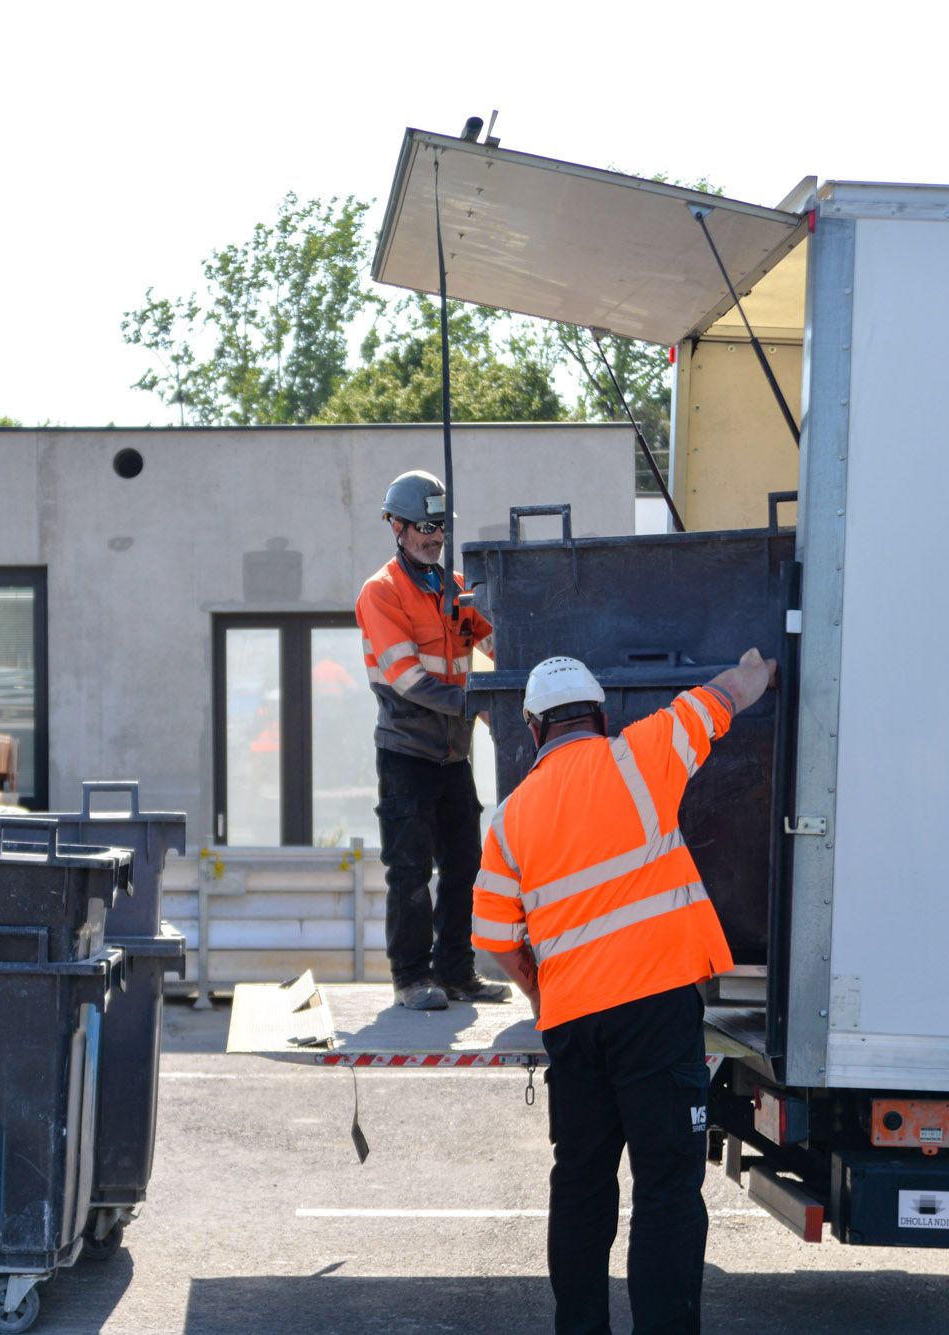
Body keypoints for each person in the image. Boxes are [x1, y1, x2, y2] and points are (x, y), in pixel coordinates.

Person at [471, 650, 777, 1335]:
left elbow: (492, 936)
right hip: (656, 1008)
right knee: (667, 1185)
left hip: (574, 1021)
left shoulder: (511, 818)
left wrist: (539, 989)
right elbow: (726, 694)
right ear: (602, 714)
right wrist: (766, 666)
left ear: (531, 727)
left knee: (581, 1183)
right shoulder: (644, 753)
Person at [354, 469, 511, 1011]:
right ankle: (412, 979)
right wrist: (480, 703)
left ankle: (456, 973)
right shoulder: (382, 593)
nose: (434, 536)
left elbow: (495, 640)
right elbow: (408, 680)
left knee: (466, 866)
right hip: (406, 755)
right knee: (411, 871)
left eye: (440, 526)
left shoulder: (455, 588)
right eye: (423, 526)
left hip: (453, 756)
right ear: (395, 525)